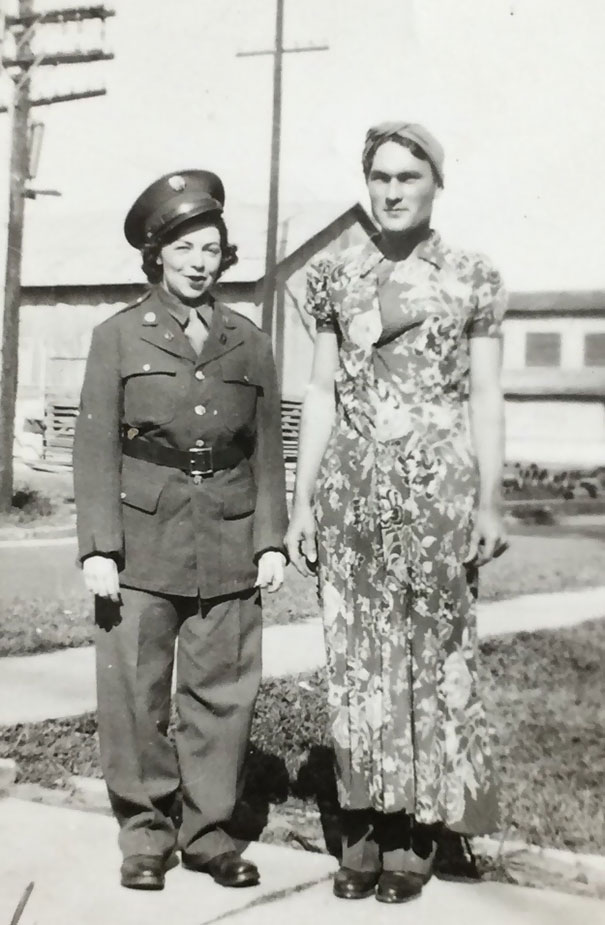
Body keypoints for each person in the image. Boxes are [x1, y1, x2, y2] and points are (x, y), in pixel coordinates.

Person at [286, 122, 508, 904]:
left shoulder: (470, 276)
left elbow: (484, 393)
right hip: (350, 486)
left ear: (434, 182)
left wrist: (488, 497)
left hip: (437, 488)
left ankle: (418, 830)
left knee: (427, 652)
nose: (392, 190)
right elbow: (318, 391)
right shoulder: (333, 274)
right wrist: (300, 502)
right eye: (379, 175)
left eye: (408, 175)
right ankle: (363, 827)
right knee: (354, 653)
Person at [73, 169, 288, 891]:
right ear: (156, 254)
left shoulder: (248, 340)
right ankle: (144, 831)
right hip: (140, 539)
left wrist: (270, 537)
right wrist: (99, 546)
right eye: (184, 246)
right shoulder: (117, 335)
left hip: (227, 533)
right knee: (136, 693)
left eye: (212, 247)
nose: (199, 260)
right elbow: (95, 446)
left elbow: (264, 448)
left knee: (222, 690)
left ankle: (209, 832)